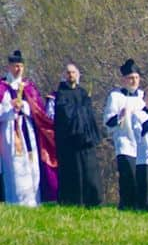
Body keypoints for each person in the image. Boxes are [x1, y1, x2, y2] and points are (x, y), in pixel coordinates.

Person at [1, 50, 58, 206]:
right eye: (15, 66)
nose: (18, 70)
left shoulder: (29, 87)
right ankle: (15, 202)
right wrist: (9, 108)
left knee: (32, 165)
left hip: (28, 131)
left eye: (20, 66)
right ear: (9, 67)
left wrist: (25, 106)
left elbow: (38, 111)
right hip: (10, 132)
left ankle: (33, 201)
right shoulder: (2, 87)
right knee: (14, 166)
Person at [53, 63, 103, 207]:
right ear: (64, 75)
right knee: (73, 171)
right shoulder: (61, 94)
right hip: (70, 142)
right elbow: (65, 115)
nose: (71, 75)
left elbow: (89, 116)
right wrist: (79, 115)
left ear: (78, 75)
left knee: (89, 171)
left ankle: (92, 200)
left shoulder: (83, 93)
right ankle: (72, 201)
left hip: (86, 141)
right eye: (68, 73)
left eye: (74, 72)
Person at [105, 59, 145, 210]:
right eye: (130, 78)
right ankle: (126, 204)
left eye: (136, 78)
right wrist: (119, 116)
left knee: (140, 175)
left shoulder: (143, 96)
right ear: (124, 80)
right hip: (125, 142)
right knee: (128, 174)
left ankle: (140, 205)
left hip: (141, 143)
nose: (134, 81)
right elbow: (108, 121)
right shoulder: (115, 96)